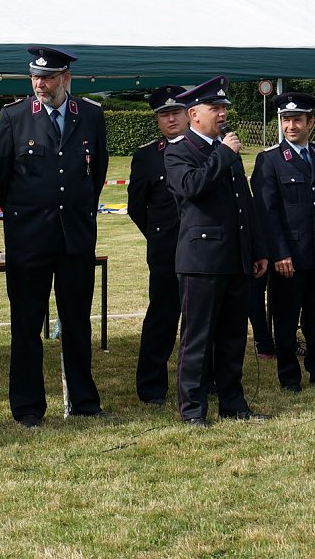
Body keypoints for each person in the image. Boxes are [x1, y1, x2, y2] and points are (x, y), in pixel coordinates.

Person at [0, 46, 108, 427]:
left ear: (65, 79)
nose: (41, 84)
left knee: (76, 322)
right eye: (36, 78)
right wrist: (27, 216)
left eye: (49, 78)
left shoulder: (89, 115)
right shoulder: (15, 116)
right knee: (26, 324)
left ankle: (83, 400)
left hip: (74, 238)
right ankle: (27, 407)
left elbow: (97, 173)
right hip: (29, 239)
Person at [164, 76, 269, 427]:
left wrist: (256, 248)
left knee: (233, 336)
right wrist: (223, 154)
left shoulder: (226, 149)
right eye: (215, 109)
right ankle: (192, 410)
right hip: (201, 261)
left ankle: (233, 404)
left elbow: (244, 203)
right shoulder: (179, 150)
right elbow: (191, 187)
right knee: (197, 338)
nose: (222, 114)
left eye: (224, 108)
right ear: (194, 114)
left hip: (235, 257)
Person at [250, 92, 315, 392]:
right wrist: (279, 253)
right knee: (285, 319)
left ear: (311, 122)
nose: (291, 126)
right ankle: (289, 377)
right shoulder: (269, 159)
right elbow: (266, 214)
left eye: (297, 120)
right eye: (285, 120)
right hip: (289, 258)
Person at [127, 85, 188, 406]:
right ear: (157, 120)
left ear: (189, 113)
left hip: (204, 249)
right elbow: (136, 207)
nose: (171, 119)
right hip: (166, 250)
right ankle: (152, 388)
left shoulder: (206, 148)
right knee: (162, 319)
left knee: (203, 319)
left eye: (175, 112)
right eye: (164, 115)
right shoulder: (147, 156)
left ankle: (207, 380)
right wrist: (158, 235)